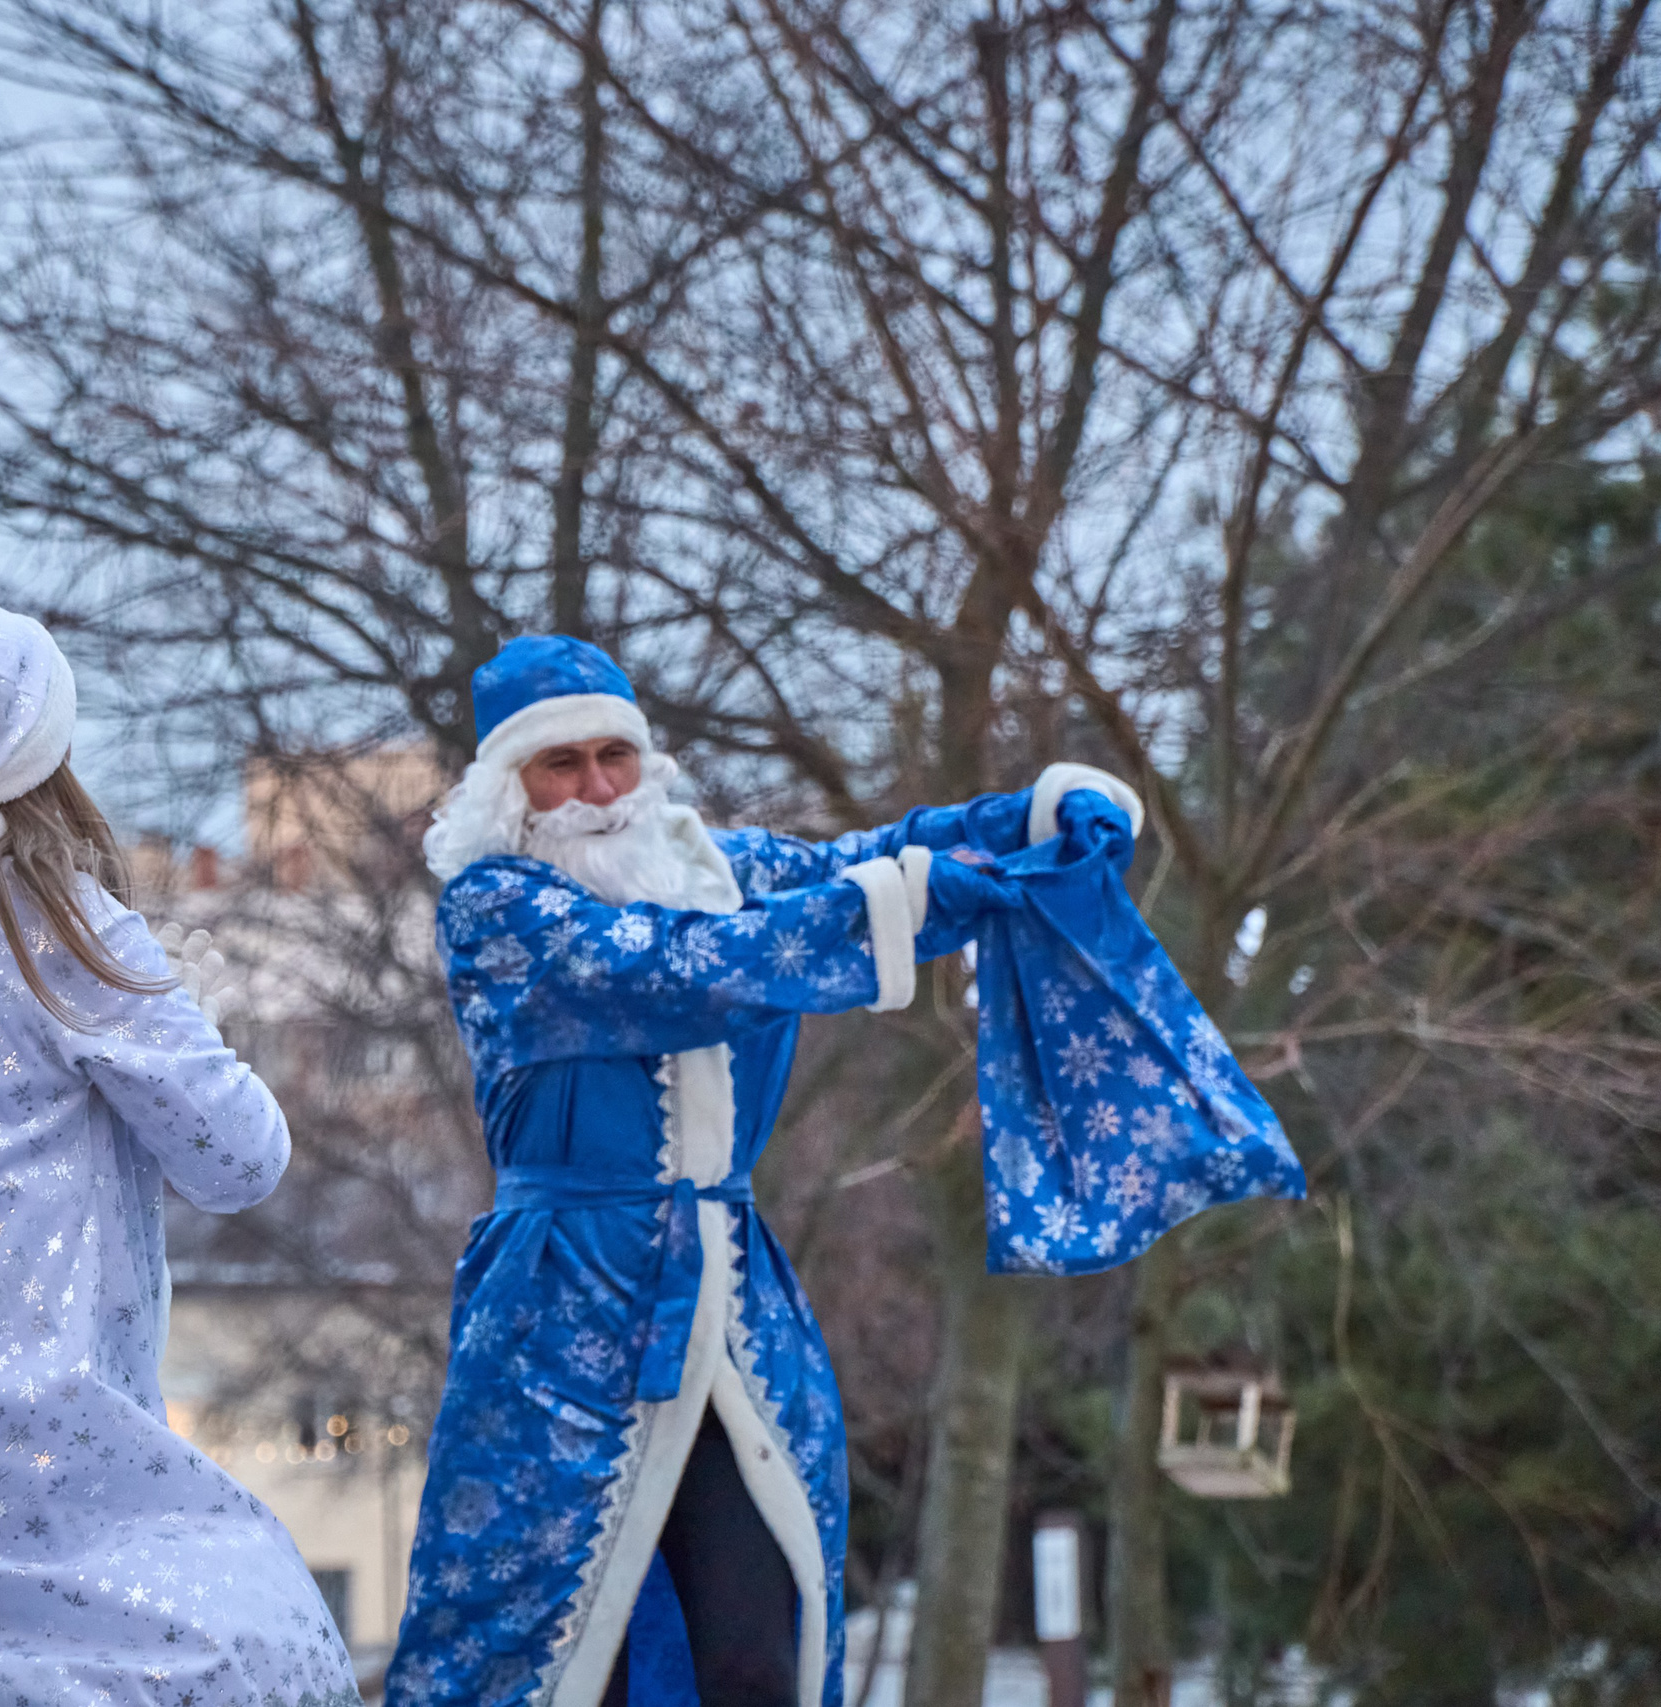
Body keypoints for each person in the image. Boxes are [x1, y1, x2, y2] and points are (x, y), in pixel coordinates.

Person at [385, 636, 1140, 1707]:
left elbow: (865, 856)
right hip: (559, 1318)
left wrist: (1024, 828)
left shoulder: (718, 871)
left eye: (616, 756)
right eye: (561, 766)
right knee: (550, 1650)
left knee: (754, 1645)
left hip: (729, 1312)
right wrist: (920, 898)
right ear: (507, 784)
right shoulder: (494, 910)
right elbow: (683, 968)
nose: (597, 791)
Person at [0, 591, 359, 1707]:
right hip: (16, 1420)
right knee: (270, 1654)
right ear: (38, 748)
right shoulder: (43, 916)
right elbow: (239, 1156)